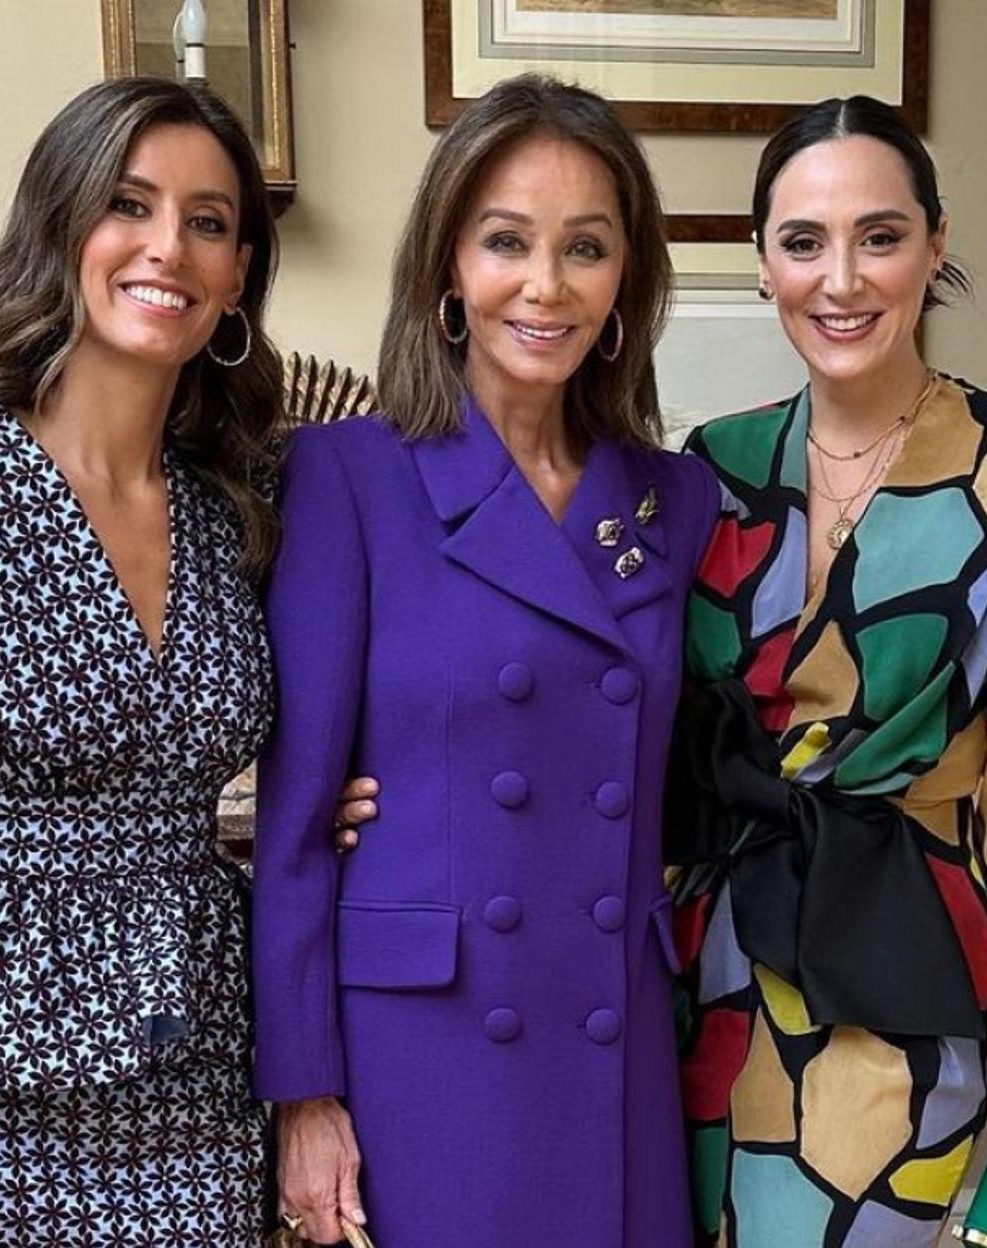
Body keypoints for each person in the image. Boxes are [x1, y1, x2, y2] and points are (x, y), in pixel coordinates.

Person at [251, 74, 717, 1248]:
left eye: (587, 248)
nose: (545, 285)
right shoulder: (350, 477)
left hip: (616, 1038)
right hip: (427, 1053)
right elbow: (300, 816)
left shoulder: (678, 500)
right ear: (449, 268)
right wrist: (303, 1096)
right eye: (507, 241)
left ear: (627, 283)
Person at [0, 77, 285, 1246]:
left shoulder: (237, 512)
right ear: (61, 228)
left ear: (239, 272)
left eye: (207, 220)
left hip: (199, 1088)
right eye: (127, 206)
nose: (167, 249)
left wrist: (355, 802)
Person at [667, 94, 987, 1248]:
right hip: (709, 980)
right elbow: (646, 731)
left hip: (895, 980)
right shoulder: (714, 468)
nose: (840, 279)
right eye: (803, 242)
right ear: (761, 263)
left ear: (935, 244)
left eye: (880, 236)